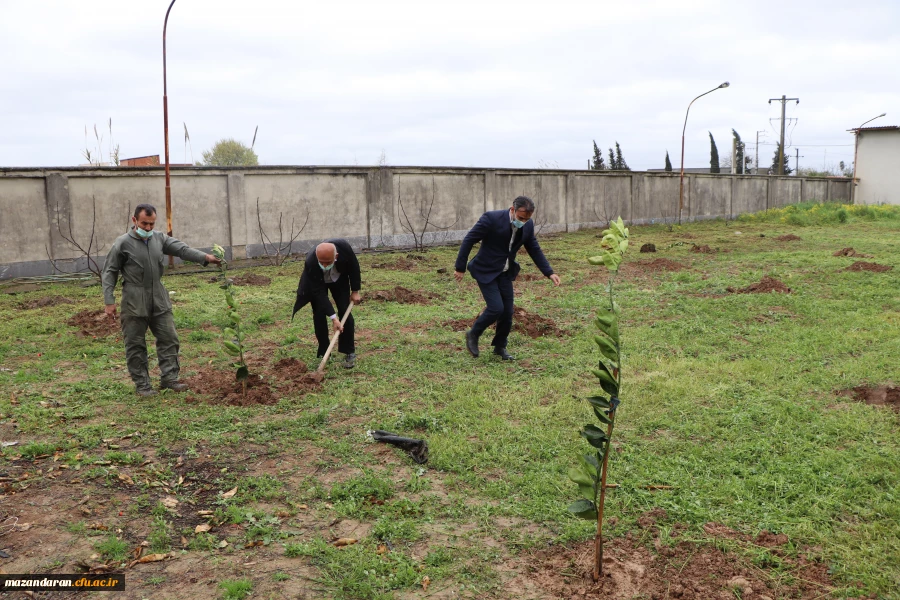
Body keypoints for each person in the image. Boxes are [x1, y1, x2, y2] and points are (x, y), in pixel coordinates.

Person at [101, 204, 222, 396]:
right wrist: (109, 301)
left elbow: (181, 249)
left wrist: (205, 257)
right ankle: (142, 385)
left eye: (151, 224)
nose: (148, 228)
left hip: (159, 297)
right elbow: (109, 272)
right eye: (144, 223)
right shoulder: (122, 243)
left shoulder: (158, 238)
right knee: (135, 344)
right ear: (134, 221)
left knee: (169, 338)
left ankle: (169, 379)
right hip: (133, 300)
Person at [455, 196, 561, 360]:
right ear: (512, 210)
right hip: (486, 269)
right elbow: (469, 239)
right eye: (521, 218)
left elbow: (533, 248)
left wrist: (549, 272)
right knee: (496, 308)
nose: (523, 221)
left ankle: (500, 347)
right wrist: (460, 267)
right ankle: (473, 334)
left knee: (507, 311)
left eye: (527, 219)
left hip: (505, 271)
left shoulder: (528, 225)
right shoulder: (491, 219)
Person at [292, 239, 362, 368]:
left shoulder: (344, 249)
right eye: (321, 263)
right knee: (319, 313)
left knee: (344, 309)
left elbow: (354, 267)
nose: (324, 266)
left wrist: (355, 291)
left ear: (336, 256)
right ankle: (324, 351)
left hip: (339, 279)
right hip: (318, 282)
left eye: (328, 262)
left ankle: (348, 351)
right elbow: (318, 293)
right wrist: (333, 318)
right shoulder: (311, 261)